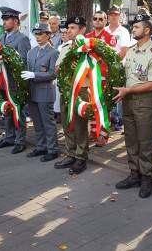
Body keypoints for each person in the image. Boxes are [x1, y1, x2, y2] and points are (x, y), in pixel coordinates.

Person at [113, 12, 152, 198]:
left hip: (144, 103)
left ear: (147, 30)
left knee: (145, 142)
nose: (133, 29)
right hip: (127, 101)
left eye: (136, 27)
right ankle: (134, 173)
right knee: (131, 140)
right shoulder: (132, 50)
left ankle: (146, 179)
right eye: (133, 26)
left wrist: (128, 91)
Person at [0, 7, 31, 153]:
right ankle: (9, 137)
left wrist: (5, 58)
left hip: (15, 81)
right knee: (6, 110)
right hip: (3, 80)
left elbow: (23, 60)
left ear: (15, 21)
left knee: (18, 111)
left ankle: (20, 140)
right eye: (3, 20)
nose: (4, 22)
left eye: (7, 20)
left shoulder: (22, 38)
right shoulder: (2, 37)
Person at [54, 16, 90, 175]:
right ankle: (71, 153)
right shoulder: (66, 48)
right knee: (67, 123)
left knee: (80, 125)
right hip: (66, 89)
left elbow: (94, 70)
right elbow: (56, 69)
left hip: (81, 89)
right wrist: (66, 66)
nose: (68, 31)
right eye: (68, 28)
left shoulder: (90, 47)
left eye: (73, 28)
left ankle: (81, 157)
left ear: (82, 30)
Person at [21, 23, 59, 162]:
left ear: (48, 35)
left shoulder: (54, 52)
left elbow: (52, 74)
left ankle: (53, 149)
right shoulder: (31, 52)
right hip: (32, 91)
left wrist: (34, 75)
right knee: (37, 122)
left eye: (41, 34)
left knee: (48, 122)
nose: (38, 37)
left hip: (45, 92)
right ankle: (41, 146)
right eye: (36, 34)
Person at [86, 10, 117, 146]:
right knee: (92, 106)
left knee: (103, 106)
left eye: (101, 19)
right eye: (95, 18)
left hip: (104, 77)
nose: (97, 21)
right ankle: (93, 133)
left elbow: (111, 59)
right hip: (89, 77)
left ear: (105, 21)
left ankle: (103, 135)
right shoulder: (87, 36)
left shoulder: (110, 37)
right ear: (92, 21)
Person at [106, 5, 133, 132]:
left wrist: (112, 64)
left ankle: (118, 120)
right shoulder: (104, 30)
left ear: (119, 16)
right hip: (103, 66)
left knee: (117, 92)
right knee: (105, 91)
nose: (113, 16)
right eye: (111, 14)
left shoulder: (123, 31)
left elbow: (124, 51)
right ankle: (108, 118)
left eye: (116, 14)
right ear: (108, 16)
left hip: (118, 66)